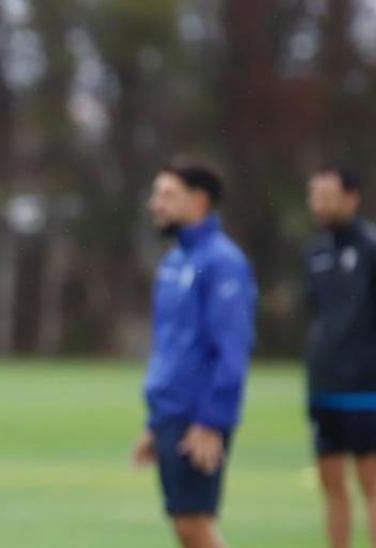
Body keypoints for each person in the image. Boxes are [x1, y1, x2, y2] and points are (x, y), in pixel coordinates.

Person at [132, 158, 257, 548]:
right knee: (185, 527)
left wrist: (212, 420)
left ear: (199, 201)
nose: (156, 204)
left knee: (194, 525)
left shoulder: (222, 262)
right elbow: (172, 346)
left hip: (198, 417)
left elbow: (232, 347)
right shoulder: (173, 262)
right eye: (156, 194)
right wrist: (155, 422)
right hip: (172, 412)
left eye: (167, 194)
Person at [303, 166, 376, 548]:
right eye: (314, 196)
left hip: (367, 388)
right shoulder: (315, 251)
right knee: (331, 484)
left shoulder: (371, 248)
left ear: (352, 197)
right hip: (323, 385)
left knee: (371, 483)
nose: (319, 204)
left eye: (326, 196)